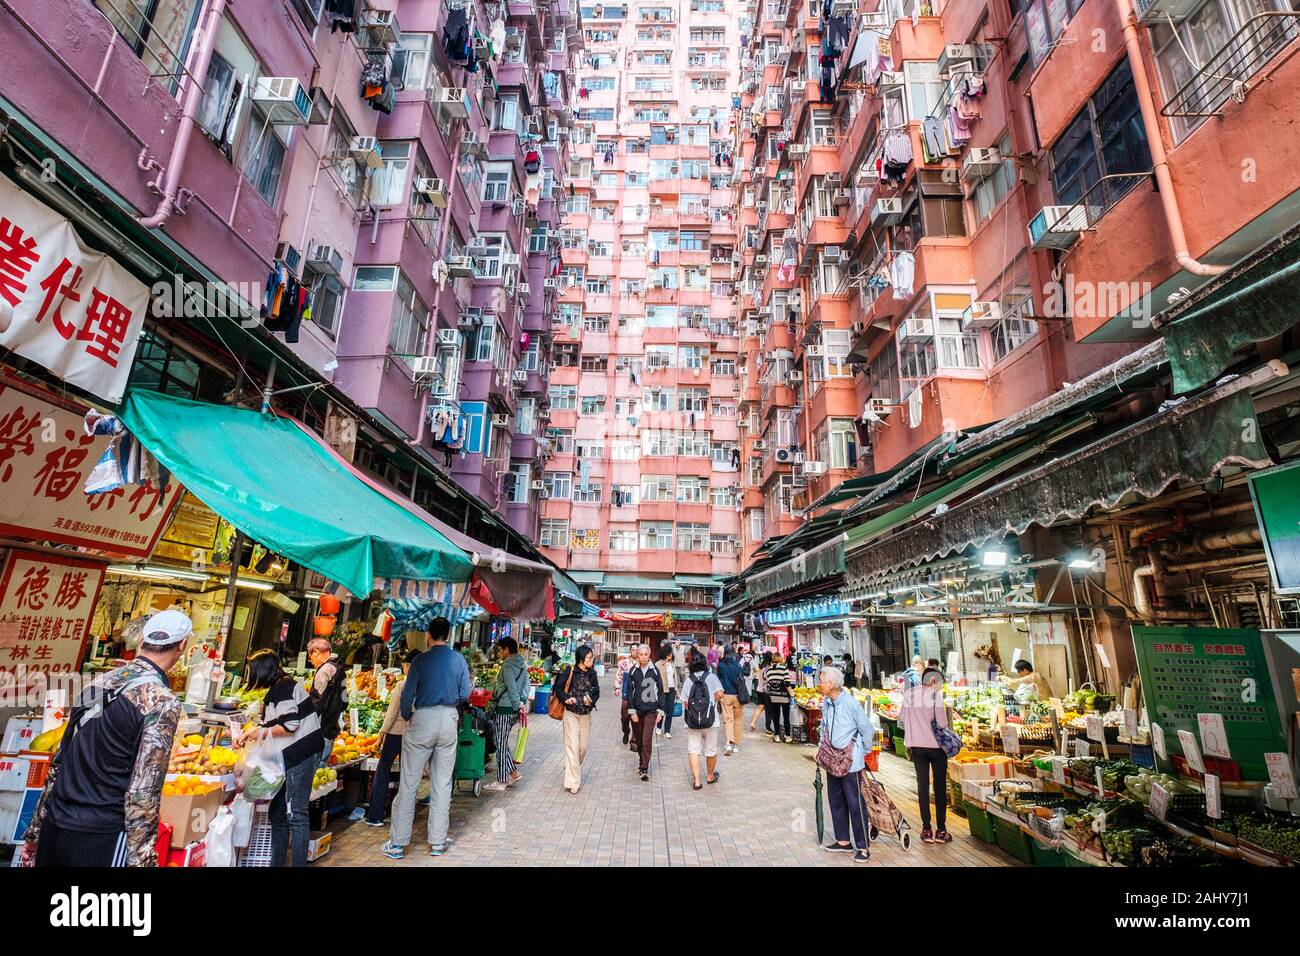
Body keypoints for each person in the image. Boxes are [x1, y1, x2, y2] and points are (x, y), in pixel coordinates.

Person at [23, 610, 189, 867]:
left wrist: (34, 832)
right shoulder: (160, 701)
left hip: (56, 826)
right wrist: (143, 861)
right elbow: (144, 790)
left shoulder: (98, 684)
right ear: (182, 646)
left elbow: (59, 763)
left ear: (142, 640)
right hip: (102, 836)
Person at [382, 618, 470, 860]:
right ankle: (438, 842)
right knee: (442, 783)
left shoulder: (421, 660)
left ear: (429, 636)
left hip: (423, 719)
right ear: (449, 635)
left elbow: (407, 692)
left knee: (409, 782)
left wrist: (409, 714)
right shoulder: (459, 660)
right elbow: (465, 693)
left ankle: (398, 844)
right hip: (449, 719)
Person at [242, 649, 322, 866]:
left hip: (301, 755)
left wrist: (258, 732)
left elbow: (290, 725)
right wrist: (254, 731)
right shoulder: (281, 687)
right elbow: (278, 721)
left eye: (252, 672)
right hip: (291, 757)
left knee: (296, 814)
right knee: (278, 813)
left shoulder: (283, 688)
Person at [818, 665, 873, 864]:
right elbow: (824, 726)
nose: (819, 684)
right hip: (832, 759)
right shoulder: (827, 703)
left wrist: (863, 752)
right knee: (836, 801)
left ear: (832, 684)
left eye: (821, 680)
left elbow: (867, 729)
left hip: (850, 762)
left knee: (855, 803)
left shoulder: (850, 703)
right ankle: (843, 840)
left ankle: (864, 846)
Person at [901, 665, 953, 844]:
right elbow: (943, 723)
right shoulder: (935, 695)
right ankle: (941, 831)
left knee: (922, 787)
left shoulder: (908, 695)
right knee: (939, 787)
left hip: (916, 747)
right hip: (936, 747)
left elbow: (902, 718)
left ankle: (927, 830)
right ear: (932, 680)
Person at [364, 655, 414, 826]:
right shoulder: (423, 685)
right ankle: (403, 816)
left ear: (408, 665)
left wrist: (381, 733)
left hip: (395, 733)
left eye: (404, 664)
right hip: (411, 734)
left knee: (383, 771)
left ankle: (375, 815)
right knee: (407, 775)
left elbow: (392, 712)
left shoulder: (402, 684)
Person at [485, 637, 529, 792]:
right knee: (499, 740)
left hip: (505, 707)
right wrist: (522, 703)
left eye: (500, 649)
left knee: (501, 743)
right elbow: (526, 686)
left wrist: (517, 705)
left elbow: (511, 687)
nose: (499, 652)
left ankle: (501, 780)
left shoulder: (508, 665)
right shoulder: (522, 664)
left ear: (507, 650)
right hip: (514, 708)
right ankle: (514, 773)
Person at [556, 645, 601, 793]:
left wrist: (591, 700)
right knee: (573, 746)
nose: (591, 660)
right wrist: (566, 699)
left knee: (582, 748)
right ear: (581, 659)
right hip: (571, 714)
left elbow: (597, 692)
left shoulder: (592, 673)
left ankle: (571, 766)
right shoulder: (570, 671)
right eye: (589, 657)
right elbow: (559, 688)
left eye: (592, 657)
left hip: (586, 715)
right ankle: (573, 783)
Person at [681, 650, 725, 789]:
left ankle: (697, 781)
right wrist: (712, 701)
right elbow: (720, 693)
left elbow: (686, 702)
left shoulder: (689, 680)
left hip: (693, 721)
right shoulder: (711, 677)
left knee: (693, 749)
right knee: (711, 749)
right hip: (711, 720)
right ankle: (710, 776)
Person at [626, 643, 663, 781]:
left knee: (647, 739)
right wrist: (632, 711)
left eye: (645, 654)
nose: (643, 657)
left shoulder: (655, 671)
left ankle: (644, 768)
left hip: (651, 710)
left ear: (649, 655)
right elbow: (629, 692)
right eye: (640, 654)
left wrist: (660, 711)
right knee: (639, 740)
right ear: (637, 655)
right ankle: (642, 761)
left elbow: (660, 691)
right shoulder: (633, 671)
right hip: (637, 710)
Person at [307, 637, 346, 766]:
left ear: (316, 652)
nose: (311, 661)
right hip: (331, 727)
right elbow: (345, 700)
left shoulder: (324, 671)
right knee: (323, 765)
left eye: (310, 656)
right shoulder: (339, 668)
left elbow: (316, 702)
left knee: (315, 768)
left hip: (321, 728)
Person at [716, 644, 745, 754]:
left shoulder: (721, 665)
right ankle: (736, 745)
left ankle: (728, 743)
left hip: (725, 695)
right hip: (738, 696)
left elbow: (718, 679)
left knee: (727, 720)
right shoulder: (737, 665)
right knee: (738, 720)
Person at [764, 652, 794, 743]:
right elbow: (787, 683)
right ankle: (787, 736)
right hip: (784, 697)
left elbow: (768, 682)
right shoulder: (784, 669)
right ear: (781, 659)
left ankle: (777, 736)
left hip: (773, 696)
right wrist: (792, 695)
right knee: (786, 717)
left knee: (776, 716)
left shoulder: (768, 670)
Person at [655, 644, 677, 738]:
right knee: (661, 709)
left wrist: (677, 689)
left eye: (671, 652)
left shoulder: (672, 663)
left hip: (672, 689)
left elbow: (675, 677)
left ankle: (667, 731)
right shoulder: (658, 664)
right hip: (662, 689)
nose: (671, 654)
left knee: (670, 710)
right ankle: (659, 727)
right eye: (669, 653)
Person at [748, 650, 772, 734]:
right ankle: (768, 727)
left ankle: (753, 723)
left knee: (760, 707)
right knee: (768, 710)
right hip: (765, 691)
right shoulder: (769, 668)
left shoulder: (761, 667)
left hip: (759, 689)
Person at [616, 652, 636, 746]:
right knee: (624, 718)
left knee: (636, 720)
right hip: (626, 695)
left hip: (637, 696)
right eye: (633, 650)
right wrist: (617, 687)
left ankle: (634, 741)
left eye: (637, 650)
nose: (635, 652)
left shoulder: (642, 663)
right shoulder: (625, 662)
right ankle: (626, 732)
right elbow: (619, 675)